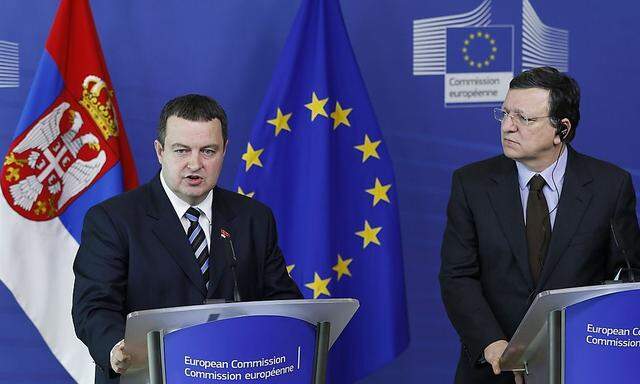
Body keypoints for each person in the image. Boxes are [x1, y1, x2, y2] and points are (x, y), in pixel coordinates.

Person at [72, 94, 302, 384]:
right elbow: (94, 306)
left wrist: (293, 328)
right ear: (160, 151)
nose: (195, 163)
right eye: (181, 150)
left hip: (236, 374)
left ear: (224, 151)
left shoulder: (254, 218)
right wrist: (117, 347)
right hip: (145, 375)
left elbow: (281, 300)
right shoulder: (112, 220)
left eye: (208, 151)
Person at [439, 67, 640, 384]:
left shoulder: (609, 186)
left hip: (582, 365)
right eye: (504, 114)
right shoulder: (471, 184)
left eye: (524, 119)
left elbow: (625, 280)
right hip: (492, 368)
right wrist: (494, 346)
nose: (508, 127)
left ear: (562, 128)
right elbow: (457, 276)